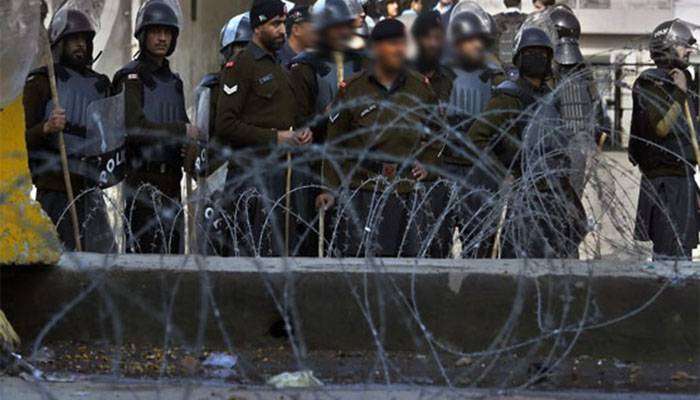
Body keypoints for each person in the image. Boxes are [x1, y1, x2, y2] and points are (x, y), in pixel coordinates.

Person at [316, 19, 438, 257]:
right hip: (362, 190)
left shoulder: (419, 87)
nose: (400, 49)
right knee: (361, 267)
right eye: (393, 44)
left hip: (405, 192)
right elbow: (334, 144)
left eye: (403, 43)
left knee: (404, 268)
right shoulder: (352, 89)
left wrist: (428, 164)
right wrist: (328, 189)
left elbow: (439, 132)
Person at [467, 27, 586, 258]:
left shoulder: (550, 96)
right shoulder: (508, 96)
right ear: (519, 58)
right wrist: (502, 174)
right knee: (520, 265)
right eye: (530, 53)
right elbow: (476, 138)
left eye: (542, 54)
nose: (537, 58)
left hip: (554, 193)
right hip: (525, 194)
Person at [215, 0, 313, 256]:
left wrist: (302, 131)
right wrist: (275, 138)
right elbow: (225, 125)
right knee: (252, 255)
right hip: (251, 177)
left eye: (283, 23)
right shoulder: (241, 65)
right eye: (275, 24)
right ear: (258, 27)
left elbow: (285, 115)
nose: (283, 30)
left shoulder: (279, 65)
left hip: (282, 177)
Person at [23, 8, 115, 252]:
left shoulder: (101, 86)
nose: (81, 45)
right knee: (55, 267)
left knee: (103, 265)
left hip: (89, 192)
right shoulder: (41, 82)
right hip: (54, 191)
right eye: (74, 39)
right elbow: (20, 141)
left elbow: (111, 141)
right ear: (59, 42)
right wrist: (46, 127)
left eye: (85, 39)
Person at [113, 0, 199, 254]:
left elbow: (183, 125)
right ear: (143, 34)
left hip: (172, 184)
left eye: (167, 33)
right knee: (142, 263)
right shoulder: (130, 77)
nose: (162, 38)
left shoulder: (174, 82)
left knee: (173, 260)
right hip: (142, 184)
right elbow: (134, 128)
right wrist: (181, 131)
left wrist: (190, 146)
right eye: (156, 32)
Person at [288, 0, 367, 255]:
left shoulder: (360, 62)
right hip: (315, 163)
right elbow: (300, 122)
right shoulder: (305, 66)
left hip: (353, 162)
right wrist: (326, 115)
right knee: (314, 239)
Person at [629, 19, 699, 260]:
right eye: (684, 46)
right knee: (670, 256)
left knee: (683, 252)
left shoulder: (680, 81)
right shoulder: (652, 82)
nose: (689, 50)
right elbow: (660, 128)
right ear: (668, 47)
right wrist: (678, 93)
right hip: (664, 183)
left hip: (682, 180)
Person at [549, 6, 610, 195]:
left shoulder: (553, 65)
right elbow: (596, 105)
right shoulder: (583, 68)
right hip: (573, 142)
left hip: (564, 143)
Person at [493, 0, 527, 74]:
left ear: (504, 3)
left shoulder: (493, 21)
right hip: (523, 71)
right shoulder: (528, 20)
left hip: (500, 71)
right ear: (520, 3)